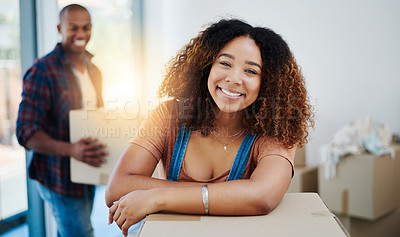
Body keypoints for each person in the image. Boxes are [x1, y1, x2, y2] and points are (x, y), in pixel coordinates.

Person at [106, 19, 314, 236]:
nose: (234, 79)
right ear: (206, 66)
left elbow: (261, 196)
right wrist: (229, 197)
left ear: (269, 83)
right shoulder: (169, 115)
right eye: (225, 63)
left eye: (251, 71)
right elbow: (117, 188)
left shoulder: (276, 129)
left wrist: (157, 197)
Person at [16, 4, 107, 237]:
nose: (81, 34)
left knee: (72, 231)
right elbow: (25, 131)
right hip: (57, 175)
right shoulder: (43, 71)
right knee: (80, 233)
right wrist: (71, 149)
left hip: (87, 170)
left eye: (86, 27)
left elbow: (96, 117)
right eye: (73, 28)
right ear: (59, 28)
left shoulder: (94, 70)